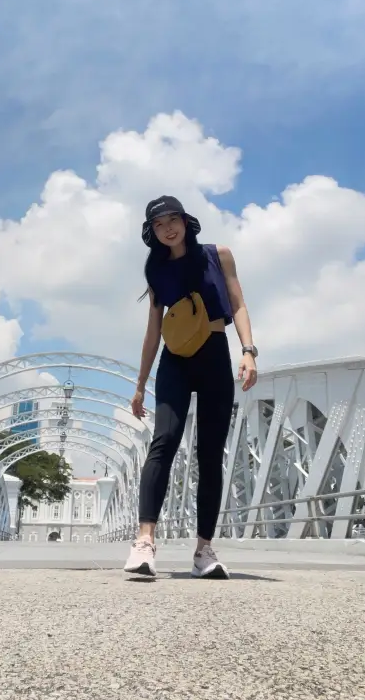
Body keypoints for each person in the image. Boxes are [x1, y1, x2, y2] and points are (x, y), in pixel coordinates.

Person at [124, 196, 258, 579]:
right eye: (159, 223)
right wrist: (139, 386)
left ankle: (204, 550)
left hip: (215, 354)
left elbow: (238, 304)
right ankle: (144, 542)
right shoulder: (156, 272)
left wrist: (248, 351)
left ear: (185, 220)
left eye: (173, 219)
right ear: (152, 232)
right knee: (164, 441)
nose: (168, 227)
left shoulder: (219, 255)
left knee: (210, 453)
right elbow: (153, 332)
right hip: (175, 361)